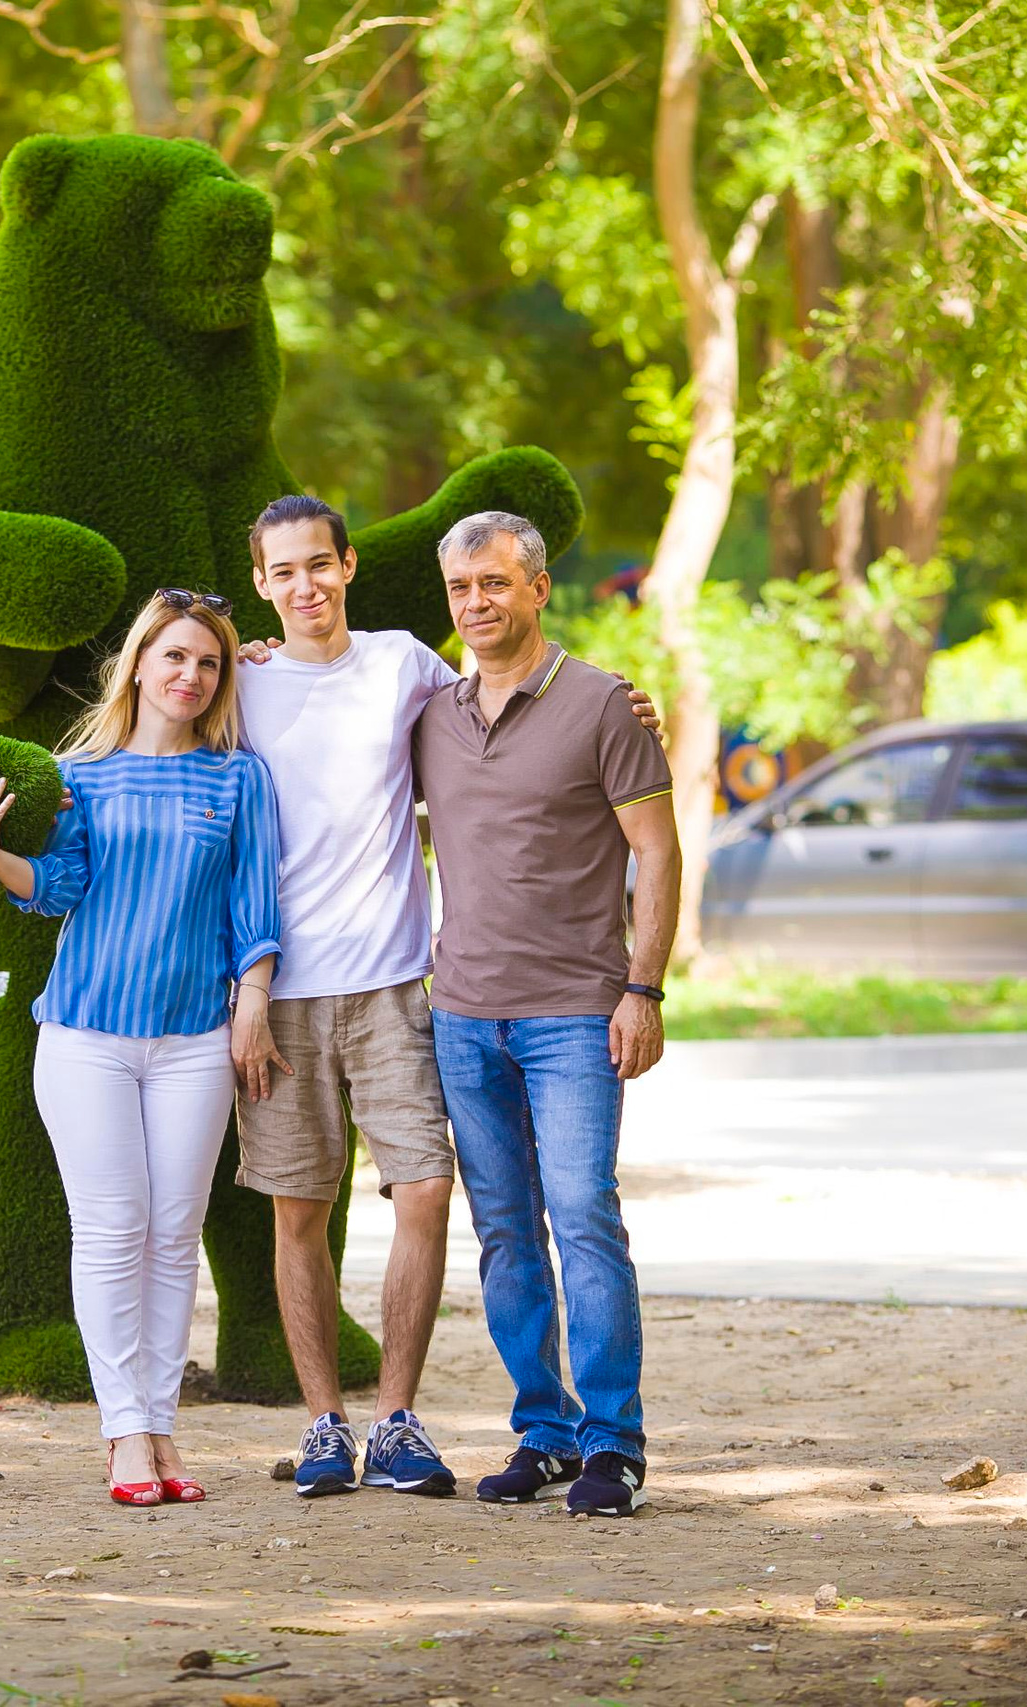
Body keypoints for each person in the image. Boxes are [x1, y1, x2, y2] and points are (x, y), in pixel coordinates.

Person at [228, 495, 658, 1501]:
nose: (303, 585)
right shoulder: (242, 688)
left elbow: (539, 708)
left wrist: (622, 705)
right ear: (261, 582)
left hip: (404, 990)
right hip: (299, 992)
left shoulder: (405, 670)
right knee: (341, 1216)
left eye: (318, 565)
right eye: (282, 571)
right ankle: (345, 1426)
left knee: (467, 1200)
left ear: (346, 566)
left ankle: (448, 1428)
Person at [0, 590, 282, 1507]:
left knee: (173, 1236)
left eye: (207, 663)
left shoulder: (239, 777)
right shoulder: (81, 773)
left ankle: (161, 1425)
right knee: (111, 1229)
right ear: (138, 663)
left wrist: (253, 1005)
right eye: (173, 657)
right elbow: (59, 884)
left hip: (195, 1041)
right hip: (86, 1035)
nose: (190, 676)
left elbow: (257, 911)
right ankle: (124, 1430)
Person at [415, 510, 679, 1518]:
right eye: (459, 589)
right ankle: (545, 1431)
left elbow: (657, 851)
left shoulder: (604, 705)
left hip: (575, 1012)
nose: (475, 604)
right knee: (506, 1235)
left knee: (583, 1220)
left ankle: (614, 1444)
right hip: (463, 1015)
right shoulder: (431, 714)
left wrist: (642, 989)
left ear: (536, 588)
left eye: (492, 583)